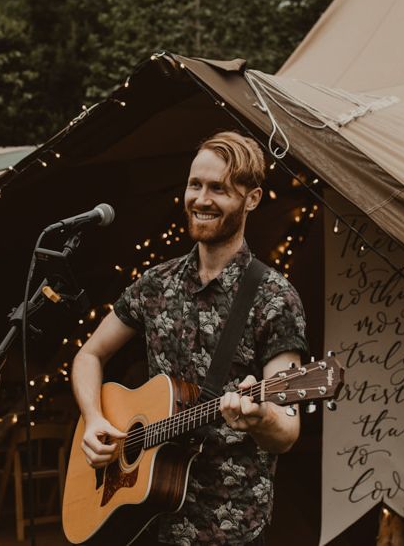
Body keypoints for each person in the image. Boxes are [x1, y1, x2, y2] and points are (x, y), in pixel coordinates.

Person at [71, 131, 309, 545]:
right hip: (147, 517)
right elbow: (89, 354)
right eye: (195, 185)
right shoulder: (155, 284)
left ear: (251, 199)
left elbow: (287, 431)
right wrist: (94, 419)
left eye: (219, 188)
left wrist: (260, 418)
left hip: (229, 523)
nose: (201, 199)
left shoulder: (274, 297)